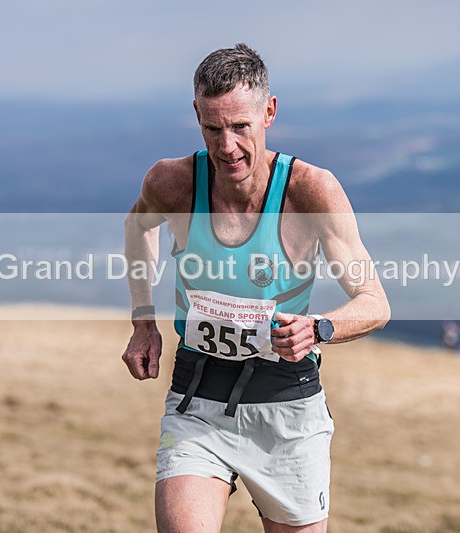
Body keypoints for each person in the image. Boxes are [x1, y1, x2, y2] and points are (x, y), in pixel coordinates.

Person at [121, 44, 390, 532]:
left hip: (288, 409)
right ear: (197, 116)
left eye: (240, 126)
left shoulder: (310, 190)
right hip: (197, 401)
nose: (227, 146)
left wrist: (318, 328)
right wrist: (143, 321)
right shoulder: (173, 182)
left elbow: (374, 302)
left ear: (269, 112)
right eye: (213, 128)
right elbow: (138, 225)